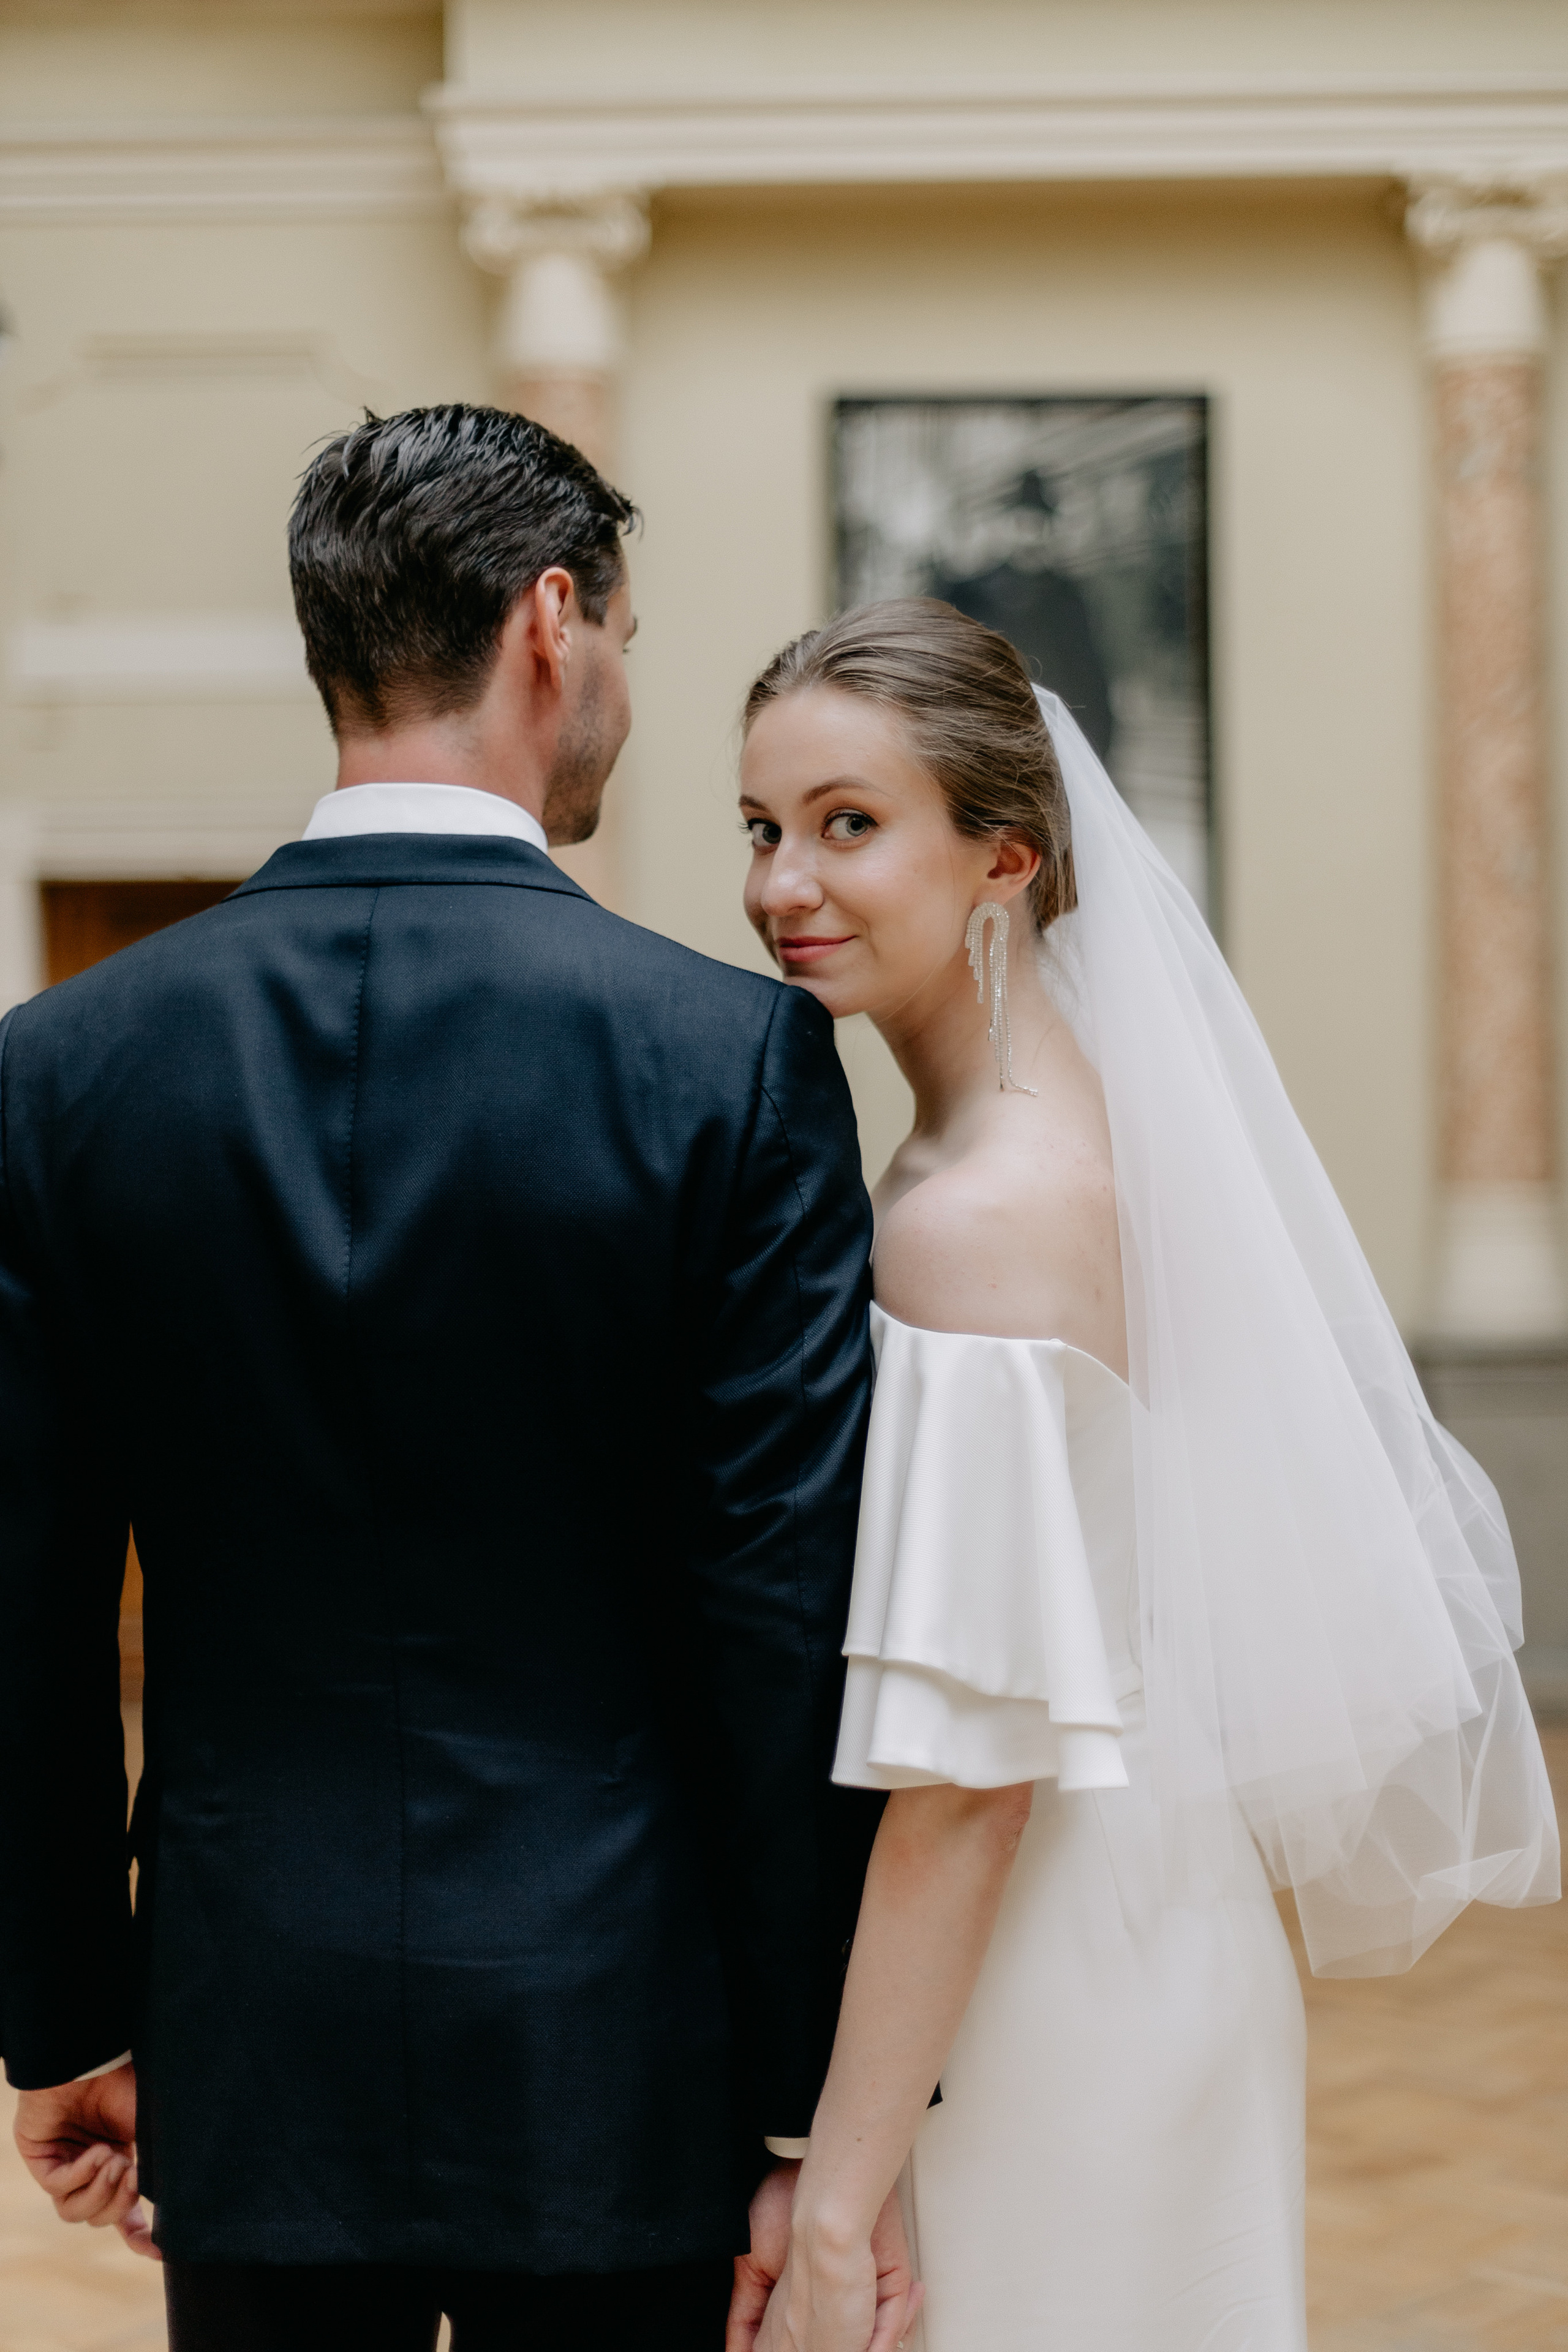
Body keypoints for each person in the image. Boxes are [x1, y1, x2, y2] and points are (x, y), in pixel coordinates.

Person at [0, 405, 883, 2350]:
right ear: (552, 623)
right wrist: (806, 2104)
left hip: (248, 2024)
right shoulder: (724, 1061)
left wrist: (63, 2017)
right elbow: (776, 1620)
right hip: (619, 2032)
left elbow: (29, 1608)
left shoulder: (60, 1071)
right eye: (628, 642)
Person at [727, 599, 1561, 2352]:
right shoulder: (1051, 1133)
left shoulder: (980, 1216)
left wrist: (840, 2198)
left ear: (1005, 860)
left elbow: (971, 1782)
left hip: (1031, 1988)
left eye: (849, 825)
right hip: (1146, 1917)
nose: (783, 883)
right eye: (765, 826)